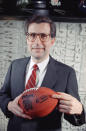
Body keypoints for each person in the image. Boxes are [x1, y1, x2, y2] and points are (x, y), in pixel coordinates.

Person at [0, 15, 85, 131]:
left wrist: (79, 110)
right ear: (27, 39)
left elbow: (74, 116)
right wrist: (9, 105)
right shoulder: (15, 65)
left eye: (43, 36)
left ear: (52, 40)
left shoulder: (67, 73)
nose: (37, 42)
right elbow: (3, 94)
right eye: (32, 35)